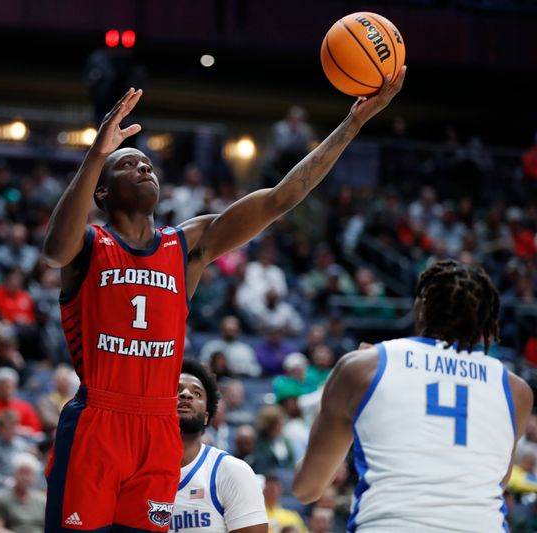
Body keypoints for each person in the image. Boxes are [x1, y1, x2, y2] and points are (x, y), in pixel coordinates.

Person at [42, 72, 405, 531]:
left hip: (158, 428)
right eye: (129, 164)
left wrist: (352, 124)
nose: (145, 168)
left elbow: (280, 199)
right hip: (99, 419)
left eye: (148, 164)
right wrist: (97, 153)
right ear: (102, 190)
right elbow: (54, 250)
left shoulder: (187, 245)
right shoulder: (88, 244)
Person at [293, 259, 534, 532]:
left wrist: (356, 408)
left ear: (420, 309)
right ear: (486, 323)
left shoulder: (364, 367)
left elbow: (307, 488)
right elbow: (496, 483)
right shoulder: (517, 391)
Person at [171, 359, 267, 533]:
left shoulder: (231, 471)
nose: (186, 394)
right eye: (176, 390)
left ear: (207, 416)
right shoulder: (134, 470)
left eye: (197, 393)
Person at [0, 453, 45, 533]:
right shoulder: (0, 498)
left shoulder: (42, 500)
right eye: (22, 472)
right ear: (14, 473)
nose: (25, 477)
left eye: (29, 473)